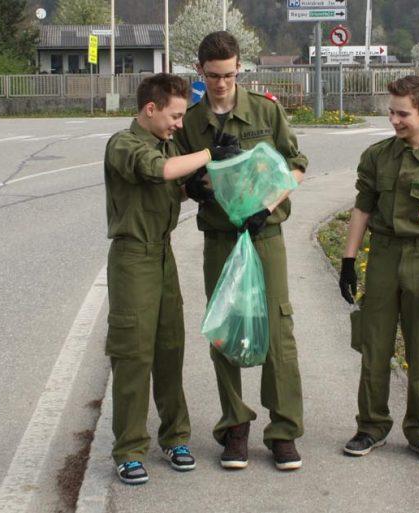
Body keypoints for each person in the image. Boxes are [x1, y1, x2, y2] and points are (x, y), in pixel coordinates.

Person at [176, 31, 308, 472]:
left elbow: (297, 166)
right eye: (213, 76)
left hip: (264, 236)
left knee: (277, 329)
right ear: (200, 71)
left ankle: (283, 430)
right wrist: (196, 186)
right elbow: (179, 179)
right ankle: (235, 425)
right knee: (225, 329)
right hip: (220, 238)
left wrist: (266, 206)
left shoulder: (265, 111)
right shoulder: (191, 122)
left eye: (229, 75)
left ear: (239, 69)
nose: (221, 84)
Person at [102, 73, 231, 485]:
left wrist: (199, 187)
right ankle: (129, 449)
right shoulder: (123, 145)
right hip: (132, 258)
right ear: (150, 109)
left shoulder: (167, 144)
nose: (179, 124)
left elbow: (175, 183)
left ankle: (175, 438)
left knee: (170, 348)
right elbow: (159, 172)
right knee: (133, 354)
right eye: (174, 116)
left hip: (162, 254)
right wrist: (207, 154)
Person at [337, 75, 419, 464]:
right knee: (374, 346)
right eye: (391, 113)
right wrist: (349, 260)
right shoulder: (378, 156)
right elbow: (362, 207)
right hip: (383, 256)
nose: (394, 120)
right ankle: (371, 426)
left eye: (403, 114)